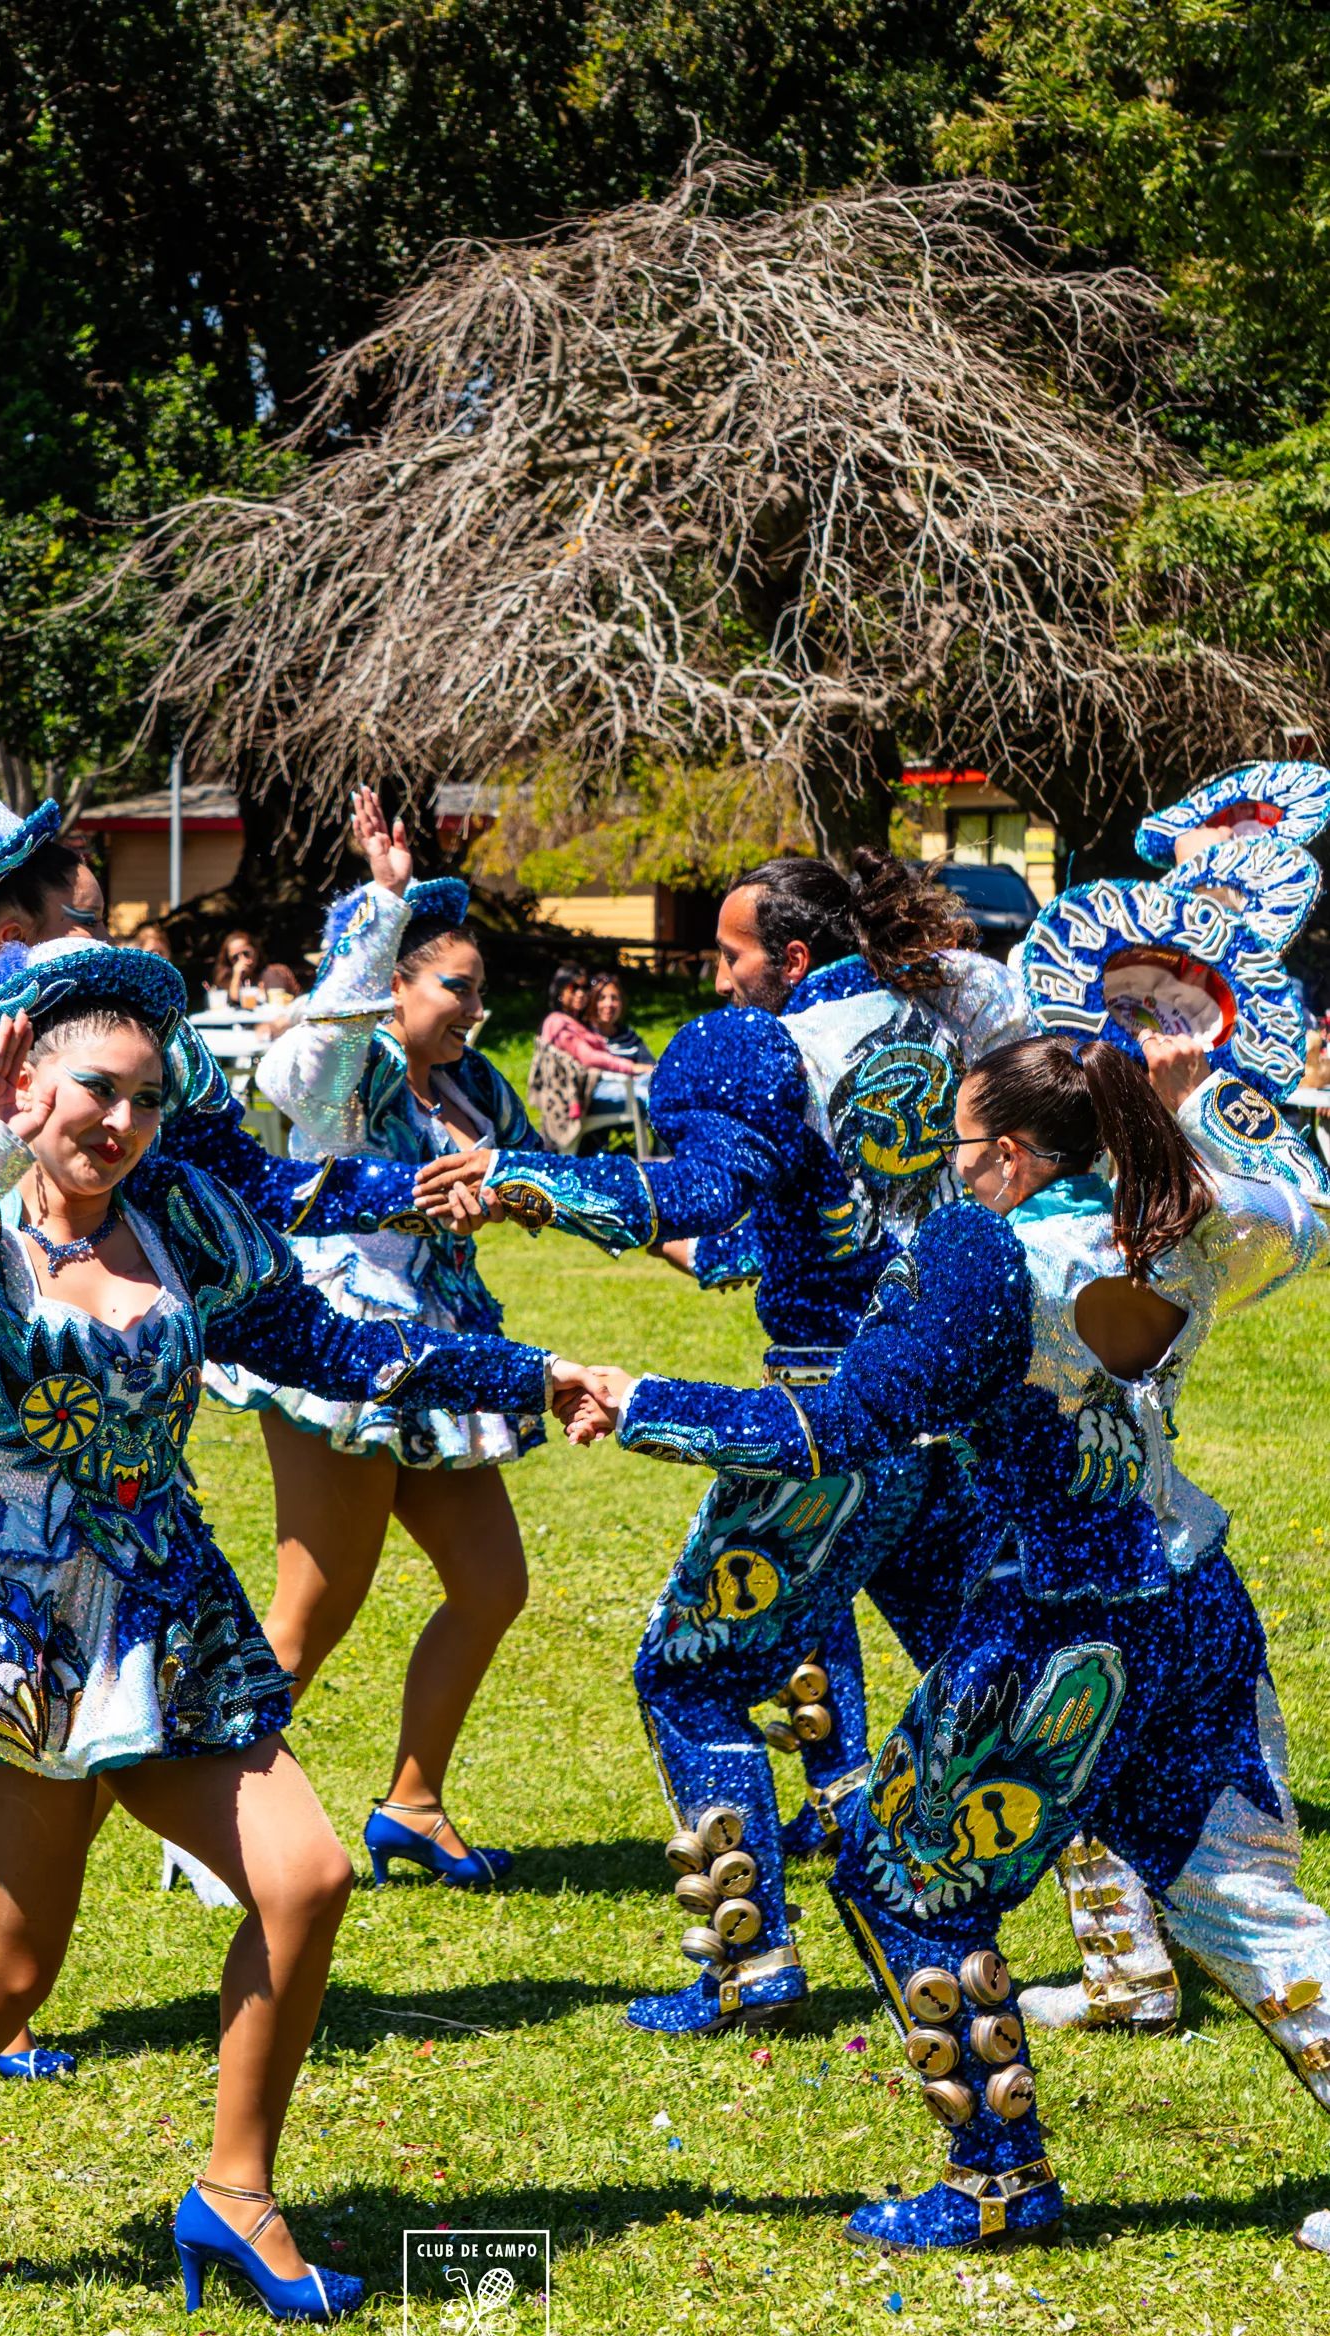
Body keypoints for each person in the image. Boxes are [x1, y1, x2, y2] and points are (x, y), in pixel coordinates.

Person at [0, 935, 584, 2308]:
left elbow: (334, 1348)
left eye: (148, 1099)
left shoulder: (185, 1221)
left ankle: (235, 2191)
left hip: (166, 1617)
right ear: (24, 1081)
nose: (121, 1122)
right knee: (9, 1976)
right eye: (96, 1089)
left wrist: (532, 1370)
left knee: (306, 1879)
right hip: (8, 1630)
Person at [0, 797, 454, 2071]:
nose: (99, 930)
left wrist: (433, 1183)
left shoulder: (119, 1051)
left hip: (91, 1355)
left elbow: (260, 1176)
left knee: (35, 1684)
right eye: (79, 908)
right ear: (13, 923)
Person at [569, 1032, 1330, 2253]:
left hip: (1058, 1632)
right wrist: (1186, 1105)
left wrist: (645, 1404)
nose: (951, 1163)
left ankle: (996, 2181)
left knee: (896, 1873)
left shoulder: (994, 1257)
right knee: (1238, 1894)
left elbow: (849, 1420)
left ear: (1015, 1156)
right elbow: (1300, 1206)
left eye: (965, 1142)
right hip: (1192, 1596)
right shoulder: (1181, 1218)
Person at [416, 848, 1032, 2032]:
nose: (720, 973)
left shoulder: (768, 1046)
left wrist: (522, 1182)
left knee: (689, 1672)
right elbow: (827, 1216)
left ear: (793, 957)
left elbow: (697, 1194)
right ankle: (1121, 1944)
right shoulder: (949, 1012)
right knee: (988, 1659)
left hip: (826, 1418)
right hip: (953, 1409)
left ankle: (750, 1963)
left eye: (733, 952)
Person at [204, 786, 544, 1884]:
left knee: (493, 1582)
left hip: (442, 1363)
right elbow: (295, 1069)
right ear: (393, 980)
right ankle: (212, 1807)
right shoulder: (337, 1083)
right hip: (338, 1354)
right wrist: (382, 907)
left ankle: (414, 1800)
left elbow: (548, 1180)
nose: (473, 1010)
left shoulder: (471, 1086)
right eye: (455, 986)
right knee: (318, 1603)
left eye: (480, 991)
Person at [539, 963, 647, 1079]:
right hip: (574, 1090)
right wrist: (631, 1068)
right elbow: (588, 1057)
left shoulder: (578, 1023)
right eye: (573, 988)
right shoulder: (558, 1022)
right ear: (560, 992)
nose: (580, 994)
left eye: (585, 988)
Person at [206, 929, 261, 1008]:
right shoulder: (224, 980)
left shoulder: (269, 973)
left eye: (246, 953)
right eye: (235, 957)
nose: (242, 959)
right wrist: (236, 976)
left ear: (255, 950)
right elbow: (233, 1001)